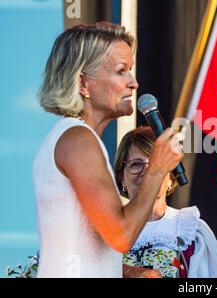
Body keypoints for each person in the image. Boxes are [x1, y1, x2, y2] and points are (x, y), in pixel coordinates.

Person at [33, 22, 184, 277]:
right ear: (83, 83)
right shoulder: (77, 140)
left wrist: (127, 272)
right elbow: (122, 235)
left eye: (131, 71)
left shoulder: (75, 138)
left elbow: (78, 247)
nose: (134, 83)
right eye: (121, 71)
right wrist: (156, 168)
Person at [114, 126, 217, 278]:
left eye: (157, 165)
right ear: (122, 177)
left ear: (171, 177)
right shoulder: (108, 229)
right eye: (136, 164)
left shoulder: (192, 230)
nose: (147, 172)